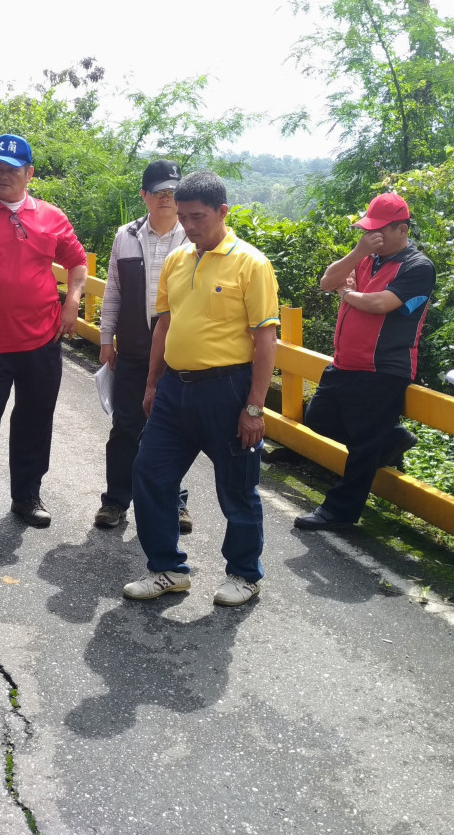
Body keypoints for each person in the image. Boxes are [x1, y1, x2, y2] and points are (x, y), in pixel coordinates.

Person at [123, 170, 279, 606]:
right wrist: (153, 383)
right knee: (150, 472)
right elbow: (164, 326)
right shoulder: (178, 259)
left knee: (236, 486)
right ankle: (168, 569)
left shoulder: (251, 263)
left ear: (222, 212)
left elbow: (265, 339)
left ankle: (244, 574)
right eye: (184, 218)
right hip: (175, 388)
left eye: (198, 218)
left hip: (227, 389)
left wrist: (254, 407)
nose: (189, 227)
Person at [0, 133, 87, 538]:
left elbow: (77, 263)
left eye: (11, 169)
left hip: (42, 341)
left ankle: (27, 496)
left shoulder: (51, 217)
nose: (2, 175)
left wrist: (72, 301)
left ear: (29, 173)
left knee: (35, 419)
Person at [293, 192, 435, 531]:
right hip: (345, 362)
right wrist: (357, 252)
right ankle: (389, 439)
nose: (375, 236)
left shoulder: (418, 267)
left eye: (381, 230)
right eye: (370, 230)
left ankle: (339, 512)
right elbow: (327, 281)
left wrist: (347, 293)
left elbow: (379, 304)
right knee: (318, 418)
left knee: (362, 449)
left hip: (383, 370)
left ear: (402, 230)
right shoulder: (367, 257)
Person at [94, 160, 193, 532]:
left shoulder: (193, 235)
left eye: (173, 192)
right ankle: (116, 501)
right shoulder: (127, 235)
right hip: (135, 347)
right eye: (159, 192)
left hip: (180, 351)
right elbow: (113, 293)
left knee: (176, 431)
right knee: (126, 426)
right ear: (144, 196)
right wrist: (106, 339)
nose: (167, 198)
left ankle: (176, 501)